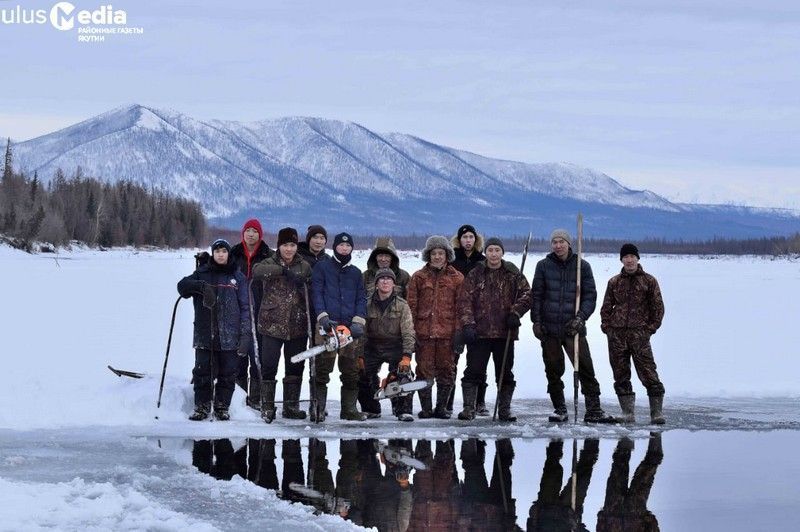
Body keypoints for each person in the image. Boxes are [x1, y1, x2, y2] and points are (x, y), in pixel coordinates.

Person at [531, 229, 615, 423]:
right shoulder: (543, 266)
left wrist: (581, 318)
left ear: (569, 244)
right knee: (553, 369)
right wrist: (536, 321)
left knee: (585, 367)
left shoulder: (581, 266)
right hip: (549, 329)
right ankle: (559, 408)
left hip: (573, 328)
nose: (558, 245)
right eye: (555, 242)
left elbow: (590, 296)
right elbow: (536, 296)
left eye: (561, 242)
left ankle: (593, 409)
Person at [456, 237, 531, 422]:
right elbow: (465, 301)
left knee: (505, 373)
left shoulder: (512, 273)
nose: (494, 254)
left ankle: (504, 409)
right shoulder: (476, 273)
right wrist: (468, 324)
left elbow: (528, 295)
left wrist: (516, 312)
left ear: (502, 252)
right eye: (490, 250)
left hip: (505, 333)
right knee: (473, 371)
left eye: (497, 250)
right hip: (479, 333)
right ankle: (469, 408)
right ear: (485, 253)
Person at [177, 239, 250, 421]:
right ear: (213, 253)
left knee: (228, 374)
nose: (220, 255)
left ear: (228, 254)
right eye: (217, 251)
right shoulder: (202, 273)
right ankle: (202, 406)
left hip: (230, 334)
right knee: (203, 372)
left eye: (224, 251)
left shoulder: (237, 277)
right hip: (205, 333)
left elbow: (246, 307)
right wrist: (200, 287)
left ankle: (222, 406)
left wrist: (245, 334)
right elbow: (182, 286)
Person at [600, 243, 666, 424]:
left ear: (637, 258)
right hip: (617, 335)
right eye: (626, 257)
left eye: (632, 256)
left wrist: (650, 328)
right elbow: (606, 307)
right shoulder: (614, 282)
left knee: (648, 372)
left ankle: (656, 413)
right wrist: (607, 327)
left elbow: (658, 307)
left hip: (639, 335)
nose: (629, 260)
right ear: (621, 260)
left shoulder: (649, 281)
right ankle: (627, 413)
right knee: (620, 374)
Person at [251, 227, 312, 423]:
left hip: (297, 324)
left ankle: (291, 407)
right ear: (279, 246)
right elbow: (256, 271)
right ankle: (267, 406)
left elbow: (311, 287)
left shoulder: (304, 266)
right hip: (271, 324)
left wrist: (303, 283)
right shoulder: (269, 262)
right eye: (285, 245)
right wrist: (283, 271)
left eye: (292, 245)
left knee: (295, 366)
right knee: (269, 366)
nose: (289, 249)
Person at [311, 232, 368, 421]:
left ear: (351, 248)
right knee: (321, 370)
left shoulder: (356, 273)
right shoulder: (322, 267)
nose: (344, 248)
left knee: (351, 371)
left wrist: (358, 321)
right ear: (335, 246)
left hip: (349, 329)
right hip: (327, 328)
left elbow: (361, 298)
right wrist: (323, 316)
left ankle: (349, 410)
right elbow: (317, 293)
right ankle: (318, 408)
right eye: (341, 245)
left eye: (348, 246)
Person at [406, 236, 464, 419]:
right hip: (424, 333)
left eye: (441, 253)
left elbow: (461, 308)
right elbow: (411, 307)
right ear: (428, 255)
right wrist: (411, 332)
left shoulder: (457, 278)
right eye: (434, 253)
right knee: (423, 370)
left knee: (447, 371)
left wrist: (459, 333)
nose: (437, 257)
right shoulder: (418, 277)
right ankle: (426, 408)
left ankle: (441, 408)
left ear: (447, 255)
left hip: (448, 334)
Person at [358, 268, 417, 422]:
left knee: (404, 375)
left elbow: (408, 332)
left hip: (395, 346)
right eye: (382, 279)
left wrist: (406, 356)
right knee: (360, 373)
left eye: (389, 279)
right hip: (372, 347)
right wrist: (360, 355)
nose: (385, 281)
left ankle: (402, 410)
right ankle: (371, 408)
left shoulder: (402, 305)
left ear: (394, 284)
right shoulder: (366, 304)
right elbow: (361, 333)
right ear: (376, 284)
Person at [230, 218, 274, 409]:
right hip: (237, 313)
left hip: (261, 312)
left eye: (255, 231)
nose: (251, 234)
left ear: (260, 234)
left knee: (257, 357)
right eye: (248, 230)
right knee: (238, 357)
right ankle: (239, 400)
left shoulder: (267, 255)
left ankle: (255, 399)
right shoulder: (233, 254)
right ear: (243, 233)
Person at [449, 224, 490, 416]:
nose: (468, 240)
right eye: (464, 237)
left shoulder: (482, 261)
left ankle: (479, 402)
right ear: (459, 240)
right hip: (455, 318)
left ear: (476, 240)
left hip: (478, 318)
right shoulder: (452, 260)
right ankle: (447, 402)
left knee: (478, 362)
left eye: (471, 237)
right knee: (451, 361)